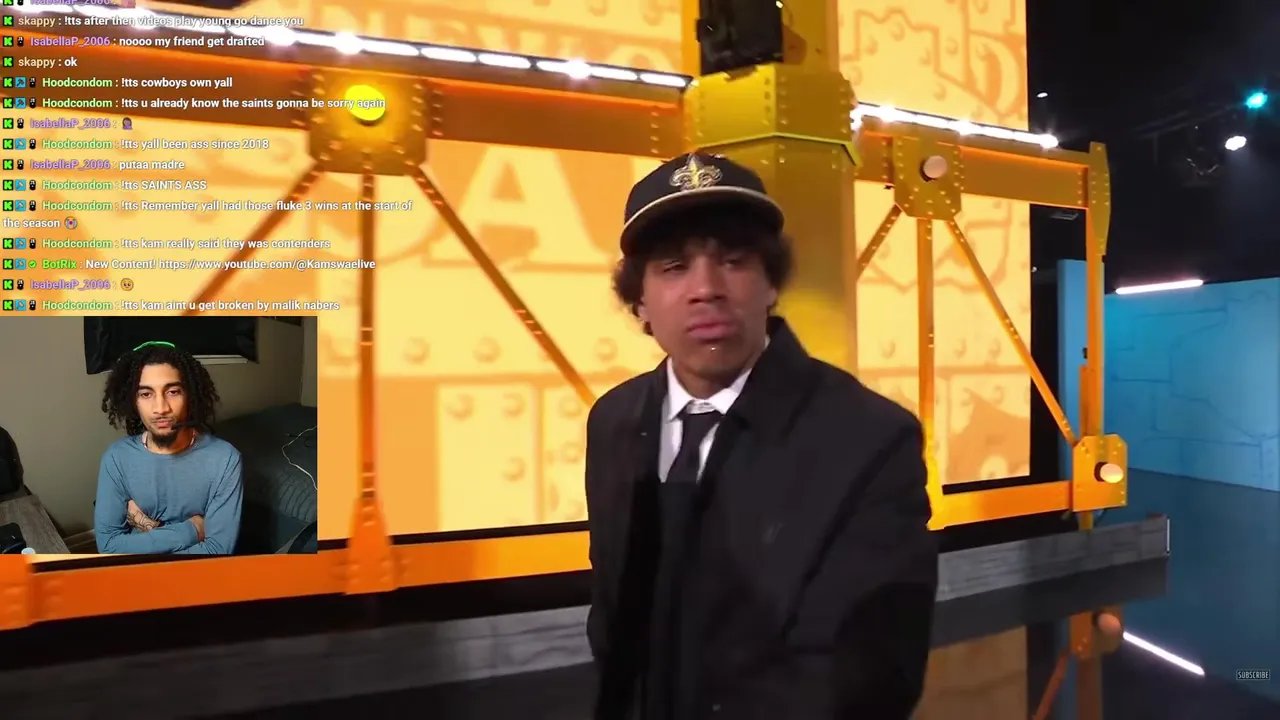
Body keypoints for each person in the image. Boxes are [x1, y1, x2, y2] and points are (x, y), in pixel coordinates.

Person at [585, 153, 939, 719]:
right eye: (674, 267)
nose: (706, 288)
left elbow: (866, 674)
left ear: (771, 283)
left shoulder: (868, 440)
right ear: (641, 301)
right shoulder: (614, 420)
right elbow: (613, 620)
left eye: (734, 261)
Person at [93, 341, 243, 555]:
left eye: (173, 391)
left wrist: (146, 526)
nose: (161, 408)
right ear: (133, 401)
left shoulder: (225, 459)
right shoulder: (117, 458)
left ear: (190, 396)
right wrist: (193, 529)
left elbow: (218, 549)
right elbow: (108, 547)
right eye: (146, 394)